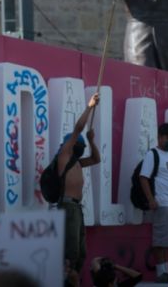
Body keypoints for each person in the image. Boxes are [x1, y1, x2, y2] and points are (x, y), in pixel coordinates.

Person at [57, 93, 101, 277]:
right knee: (71, 251)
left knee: (81, 251)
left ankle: (74, 278)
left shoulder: (77, 162)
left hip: (76, 207)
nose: (80, 148)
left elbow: (96, 159)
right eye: (79, 145)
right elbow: (78, 129)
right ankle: (67, 280)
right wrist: (90, 106)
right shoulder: (64, 156)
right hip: (68, 206)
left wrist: (91, 141)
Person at [141, 122, 168, 282]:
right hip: (162, 203)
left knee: (167, 241)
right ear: (160, 137)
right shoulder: (152, 154)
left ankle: (166, 271)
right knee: (160, 240)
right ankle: (161, 273)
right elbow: (143, 178)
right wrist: (151, 199)